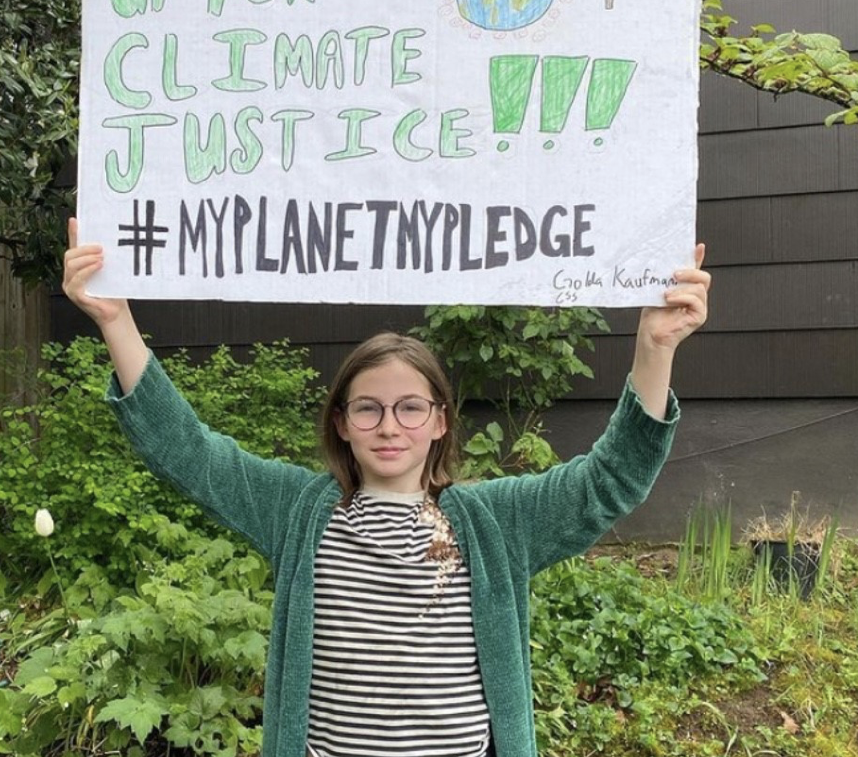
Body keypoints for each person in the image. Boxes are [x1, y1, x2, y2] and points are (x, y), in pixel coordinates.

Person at [63, 217, 711, 757]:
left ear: (440, 420)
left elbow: (609, 481)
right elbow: (190, 453)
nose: (389, 425)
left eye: (410, 407)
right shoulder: (298, 511)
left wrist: (656, 349)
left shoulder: (495, 522)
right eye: (368, 408)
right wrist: (116, 320)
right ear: (342, 423)